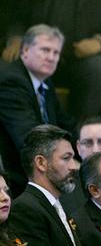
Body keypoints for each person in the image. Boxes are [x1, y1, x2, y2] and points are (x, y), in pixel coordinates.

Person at [0, 24, 74, 196]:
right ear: (25, 50)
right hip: (18, 180)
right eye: (45, 50)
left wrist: (88, 145)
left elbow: (65, 123)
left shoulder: (45, 82)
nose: (51, 57)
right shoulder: (10, 81)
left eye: (56, 53)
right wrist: (68, 159)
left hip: (43, 168)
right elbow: (29, 138)